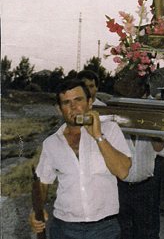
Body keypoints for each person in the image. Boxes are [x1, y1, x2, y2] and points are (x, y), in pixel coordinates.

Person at [29, 79, 132, 239]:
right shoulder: (51, 143)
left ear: (90, 103)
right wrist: (36, 210)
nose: (73, 107)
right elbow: (42, 182)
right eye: (66, 102)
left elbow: (123, 171)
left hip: (105, 229)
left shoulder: (110, 130)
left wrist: (98, 136)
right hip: (64, 229)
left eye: (78, 100)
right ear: (59, 109)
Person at [118, 135, 164, 239]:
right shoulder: (117, 129)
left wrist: (152, 135)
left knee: (147, 230)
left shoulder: (149, 127)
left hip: (145, 187)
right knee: (122, 230)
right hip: (120, 187)